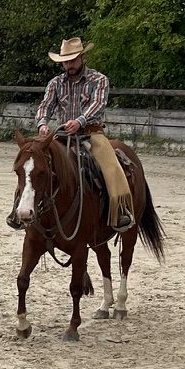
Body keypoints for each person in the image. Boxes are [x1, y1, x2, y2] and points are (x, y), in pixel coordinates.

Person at [35, 35, 134, 233]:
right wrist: (42, 124)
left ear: (82, 58)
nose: (69, 65)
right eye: (65, 62)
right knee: (34, 164)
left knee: (110, 166)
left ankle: (120, 209)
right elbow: (45, 106)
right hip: (61, 135)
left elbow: (97, 105)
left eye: (73, 60)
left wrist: (80, 121)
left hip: (91, 133)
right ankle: (24, 208)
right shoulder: (55, 83)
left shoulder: (99, 80)